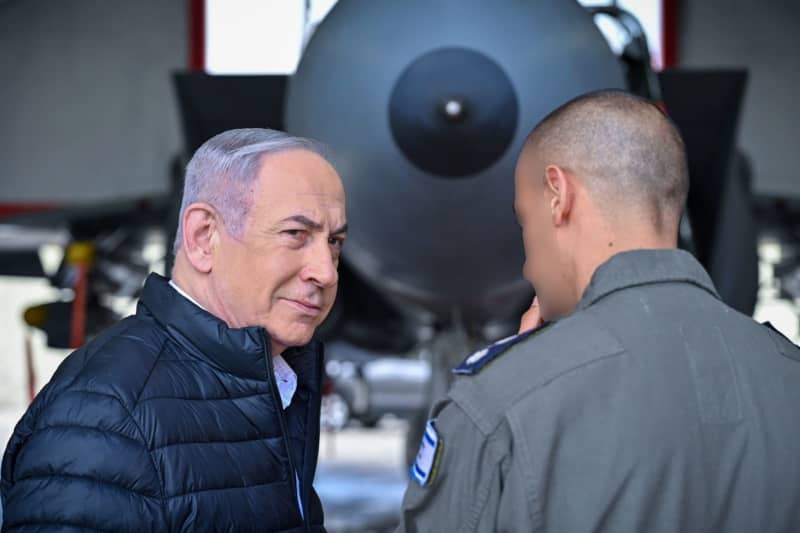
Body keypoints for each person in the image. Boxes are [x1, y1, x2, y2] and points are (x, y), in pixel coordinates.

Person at [397, 90, 800, 532]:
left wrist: (526, 372)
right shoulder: (788, 373)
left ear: (558, 195)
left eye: (524, 219)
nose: (528, 263)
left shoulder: (498, 406)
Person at [1, 128, 347, 532]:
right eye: (295, 234)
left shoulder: (269, 385)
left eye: (335, 242)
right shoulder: (105, 416)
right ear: (203, 237)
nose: (325, 271)